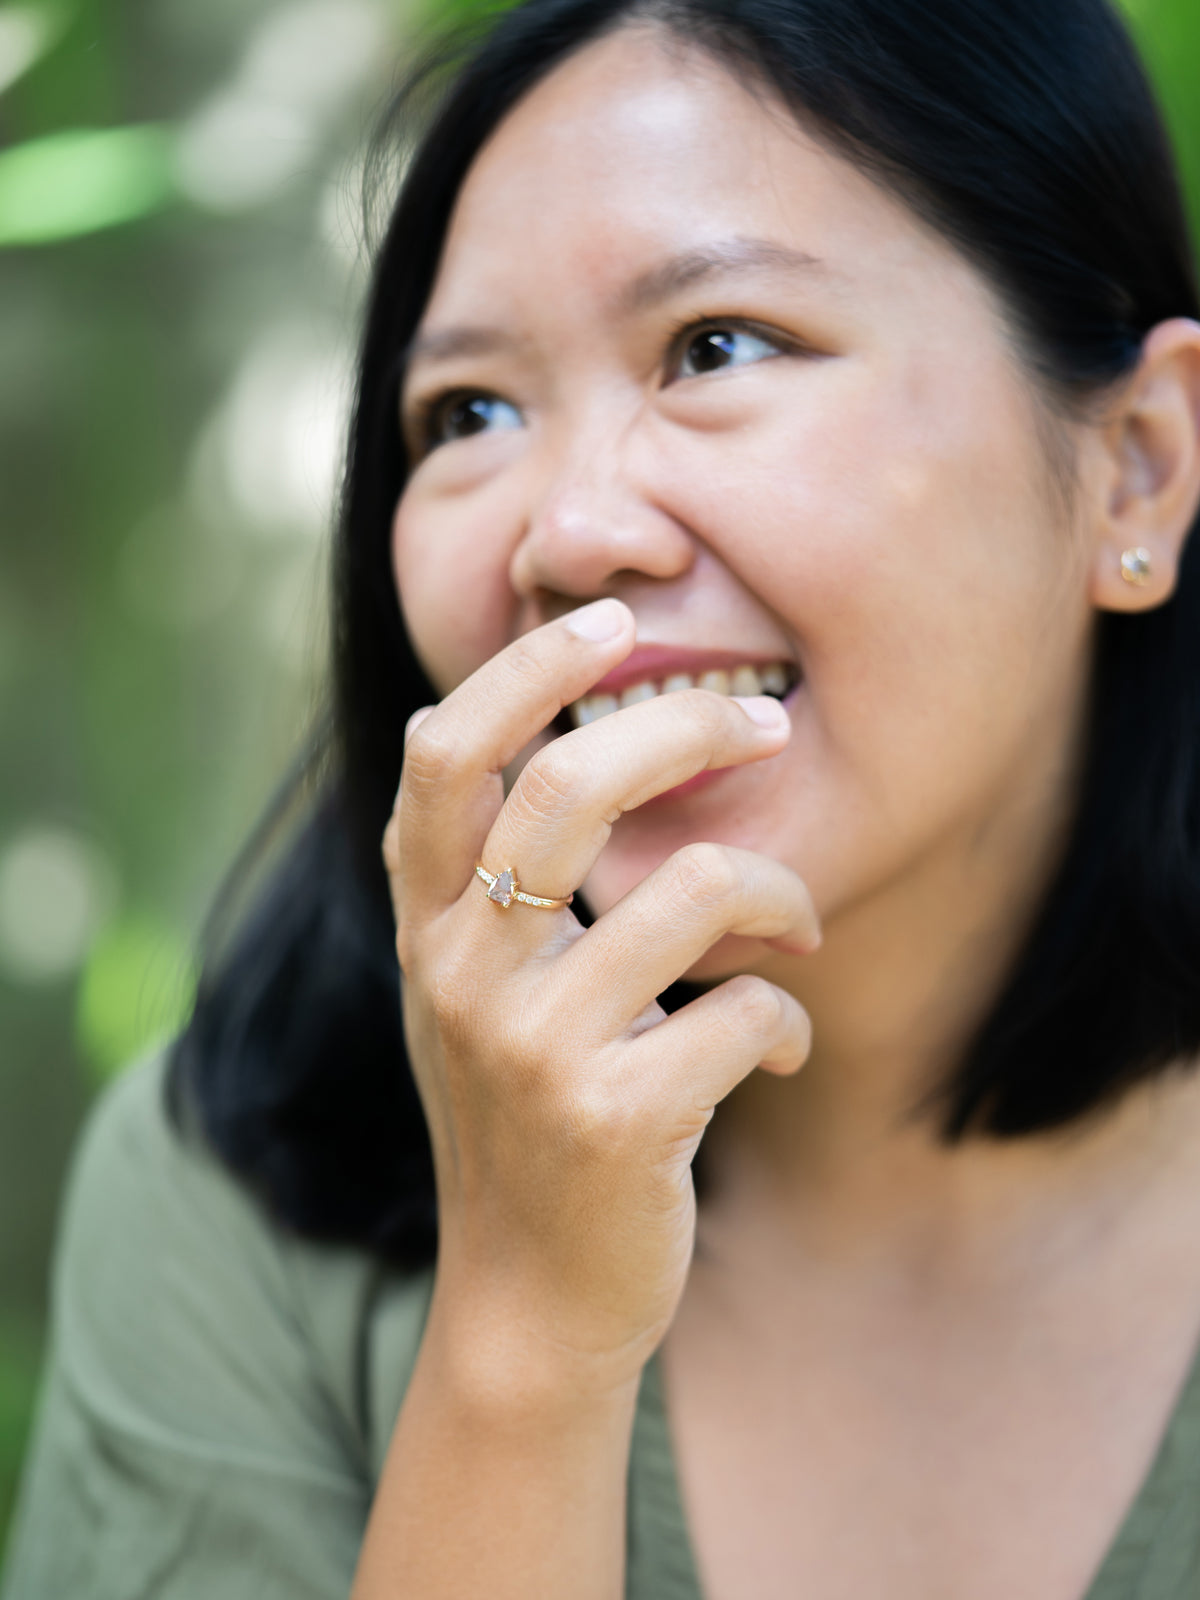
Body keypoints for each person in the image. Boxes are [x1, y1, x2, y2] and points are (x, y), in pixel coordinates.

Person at [6, 0, 1200, 1593]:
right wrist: (521, 1336)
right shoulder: (237, 1181)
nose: (564, 531)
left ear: (1134, 465)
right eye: (467, 413)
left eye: (718, 346)